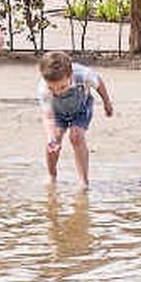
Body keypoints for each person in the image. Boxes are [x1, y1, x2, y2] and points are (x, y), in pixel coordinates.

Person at [37, 46, 111, 186]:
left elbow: (99, 84)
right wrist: (51, 139)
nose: (58, 92)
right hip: (57, 112)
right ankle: (51, 175)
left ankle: (83, 180)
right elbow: (48, 117)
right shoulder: (43, 88)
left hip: (81, 107)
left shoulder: (83, 75)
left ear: (70, 76)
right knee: (54, 141)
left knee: (76, 136)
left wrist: (107, 103)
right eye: (52, 88)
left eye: (62, 87)